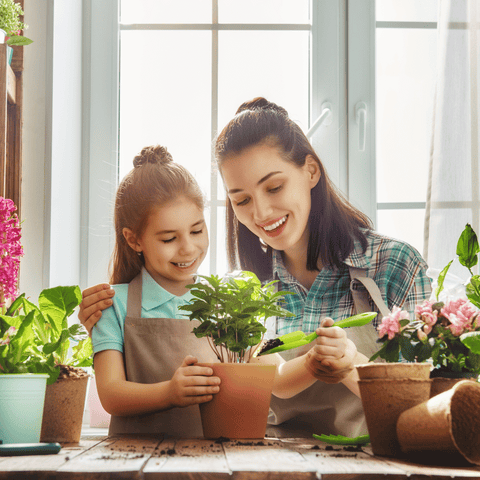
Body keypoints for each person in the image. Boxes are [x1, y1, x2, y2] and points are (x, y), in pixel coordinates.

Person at [80, 98, 431, 437]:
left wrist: (351, 364)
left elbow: (426, 402)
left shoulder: (393, 266)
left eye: (274, 187)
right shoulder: (243, 293)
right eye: (242, 200)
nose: (261, 213)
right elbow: (272, 382)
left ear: (310, 170)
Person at [90, 144, 358, 438]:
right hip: (131, 460)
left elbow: (277, 380)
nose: (188, 248)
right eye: (169, 238)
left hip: (212, 461)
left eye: (196, 231)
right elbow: (111, 394)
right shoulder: (113, 305)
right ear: (134, 239)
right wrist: (169, 392)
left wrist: (312, 361)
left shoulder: (226, 303)